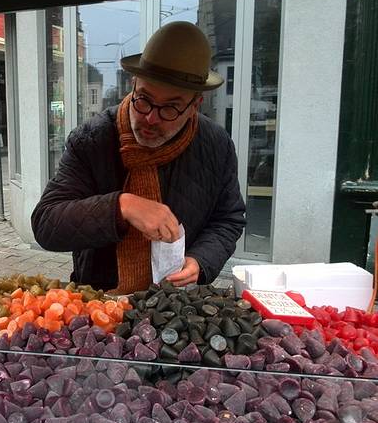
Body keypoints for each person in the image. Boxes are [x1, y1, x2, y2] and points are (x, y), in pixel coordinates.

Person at [31, 21, 246, 294]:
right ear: (133, 85)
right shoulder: (92, 140)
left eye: (171, 108)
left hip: (179, 305)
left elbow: (228, 219)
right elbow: (46, 224)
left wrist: (201, 260)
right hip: (100, 301)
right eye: (143, 98)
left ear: (195, 105)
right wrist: (122, 206)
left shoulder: (216, 145)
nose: (151, 118)